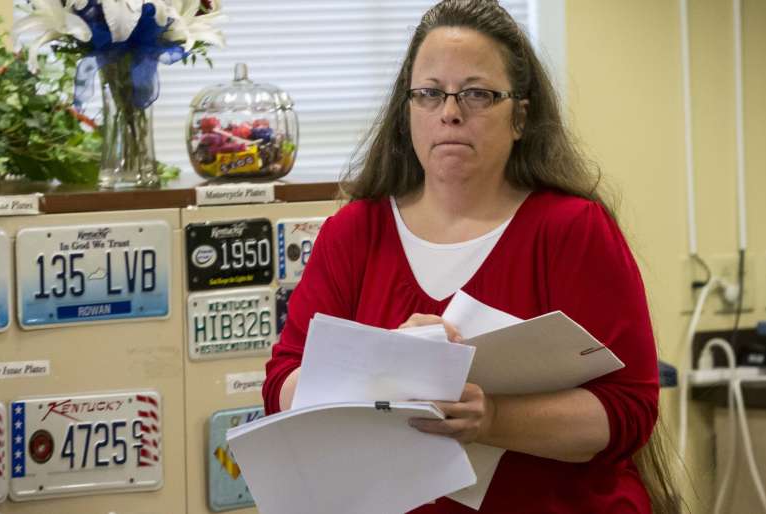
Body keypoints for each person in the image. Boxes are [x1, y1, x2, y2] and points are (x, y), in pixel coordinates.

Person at [263, 1, 675, 512]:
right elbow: (282, 385)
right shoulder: (354, 233)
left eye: (477, 94)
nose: (450, 111)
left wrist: (495, 419)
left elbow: (629, 410)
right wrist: (384, 365)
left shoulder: (572, 229)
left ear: (520, 115)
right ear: (407, 110)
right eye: (430, 93)